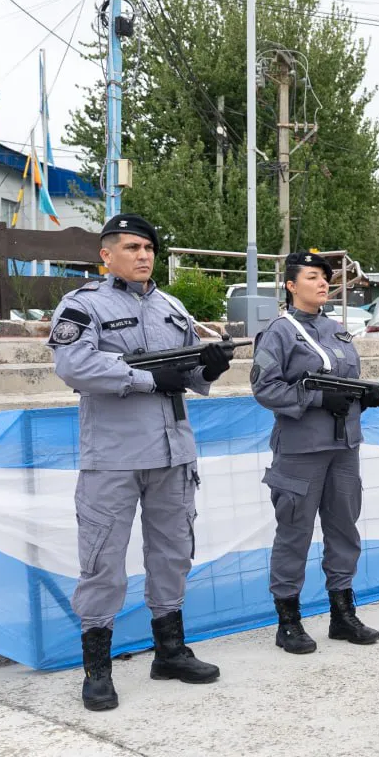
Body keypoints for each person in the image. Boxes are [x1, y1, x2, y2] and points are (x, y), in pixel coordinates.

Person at [49, 214, 231, 711]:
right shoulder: (83, 305)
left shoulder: (172, 306)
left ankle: (169, 652)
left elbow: (187, 373)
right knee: (102, 561)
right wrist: (149, 380)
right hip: (114, 457)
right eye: (132, 247)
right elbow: (74, 365)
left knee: (172, 553)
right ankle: (98, 669)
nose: (144, 255)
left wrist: (208, 367)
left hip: (173, 452)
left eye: (149, 248)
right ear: (106, 255)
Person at [250, 251, 379, 655]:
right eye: (312, 277)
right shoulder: (279, 332)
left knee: (344, 529)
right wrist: (314, 398)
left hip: (344, 446)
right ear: (291, 286)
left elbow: (345, 382)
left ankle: (342, 613)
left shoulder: (336, 329)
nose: (323, 282)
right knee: (295, 533)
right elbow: (264, 388)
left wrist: (365, 396)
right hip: (302, 449)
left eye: (325, 277)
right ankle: (288, 620)